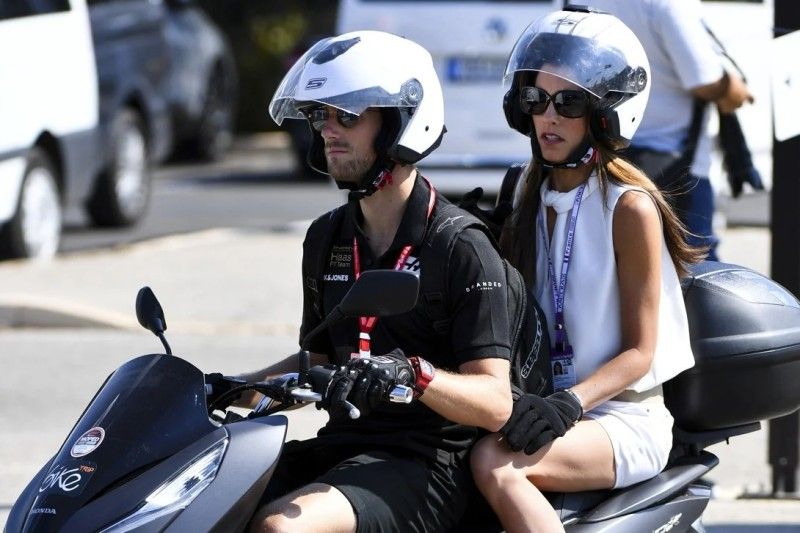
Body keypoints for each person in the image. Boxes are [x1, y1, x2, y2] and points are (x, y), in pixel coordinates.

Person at [243, 30, 513, 533]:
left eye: (347, 116)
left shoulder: (459, 246)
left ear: (400, 125)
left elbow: (496, 403)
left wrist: (415, 374)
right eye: (319, 115)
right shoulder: (326, 237)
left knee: (281, 528)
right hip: (345, 446)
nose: (327, 130)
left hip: (426, 464)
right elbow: (318, 361)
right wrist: (227, 387)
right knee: (209, 495)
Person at [468, 8, 702, 531]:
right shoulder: (525, 193)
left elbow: (640, 353)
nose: (548, 116)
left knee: (493, 464)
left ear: (603, 113)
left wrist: (568, 404)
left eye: (567, 102)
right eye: (536, 99)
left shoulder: (628, 207)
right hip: (538, 406)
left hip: (622, 415)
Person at [590, 0, 754, 261]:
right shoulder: (668, 4)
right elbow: (706, 81)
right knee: (697, 279)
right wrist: (735, 90)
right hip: (677, 170)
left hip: (606, 155)